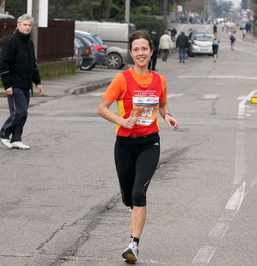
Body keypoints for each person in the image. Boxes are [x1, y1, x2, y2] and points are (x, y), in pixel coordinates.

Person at [97, 30, 179, 264]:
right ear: (131, 53)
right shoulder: (122, 79)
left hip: (150, 143)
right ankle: (133, 210)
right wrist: (122, 121)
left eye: (145, 49)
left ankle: (134, 244)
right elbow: (102, 108)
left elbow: (162, 105)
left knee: (138, 193)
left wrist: (168, 116)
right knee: (127, 198)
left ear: (151, 51)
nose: (141, 53)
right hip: (124, 144)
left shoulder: (159, 80)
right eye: (136, 49)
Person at [0, 14, 43, 150]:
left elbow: (33, 65)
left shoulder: (29, 42)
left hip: (25, 84)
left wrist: (38, 82)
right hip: (14, 84)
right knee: (19, 111)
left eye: (29, 25)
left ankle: (16, 138)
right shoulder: (11, 41)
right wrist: (7, 85)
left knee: (23, 113)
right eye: (25, 24)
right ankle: (3, 133)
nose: (27, 27)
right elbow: (3, 64)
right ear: (18, 25)